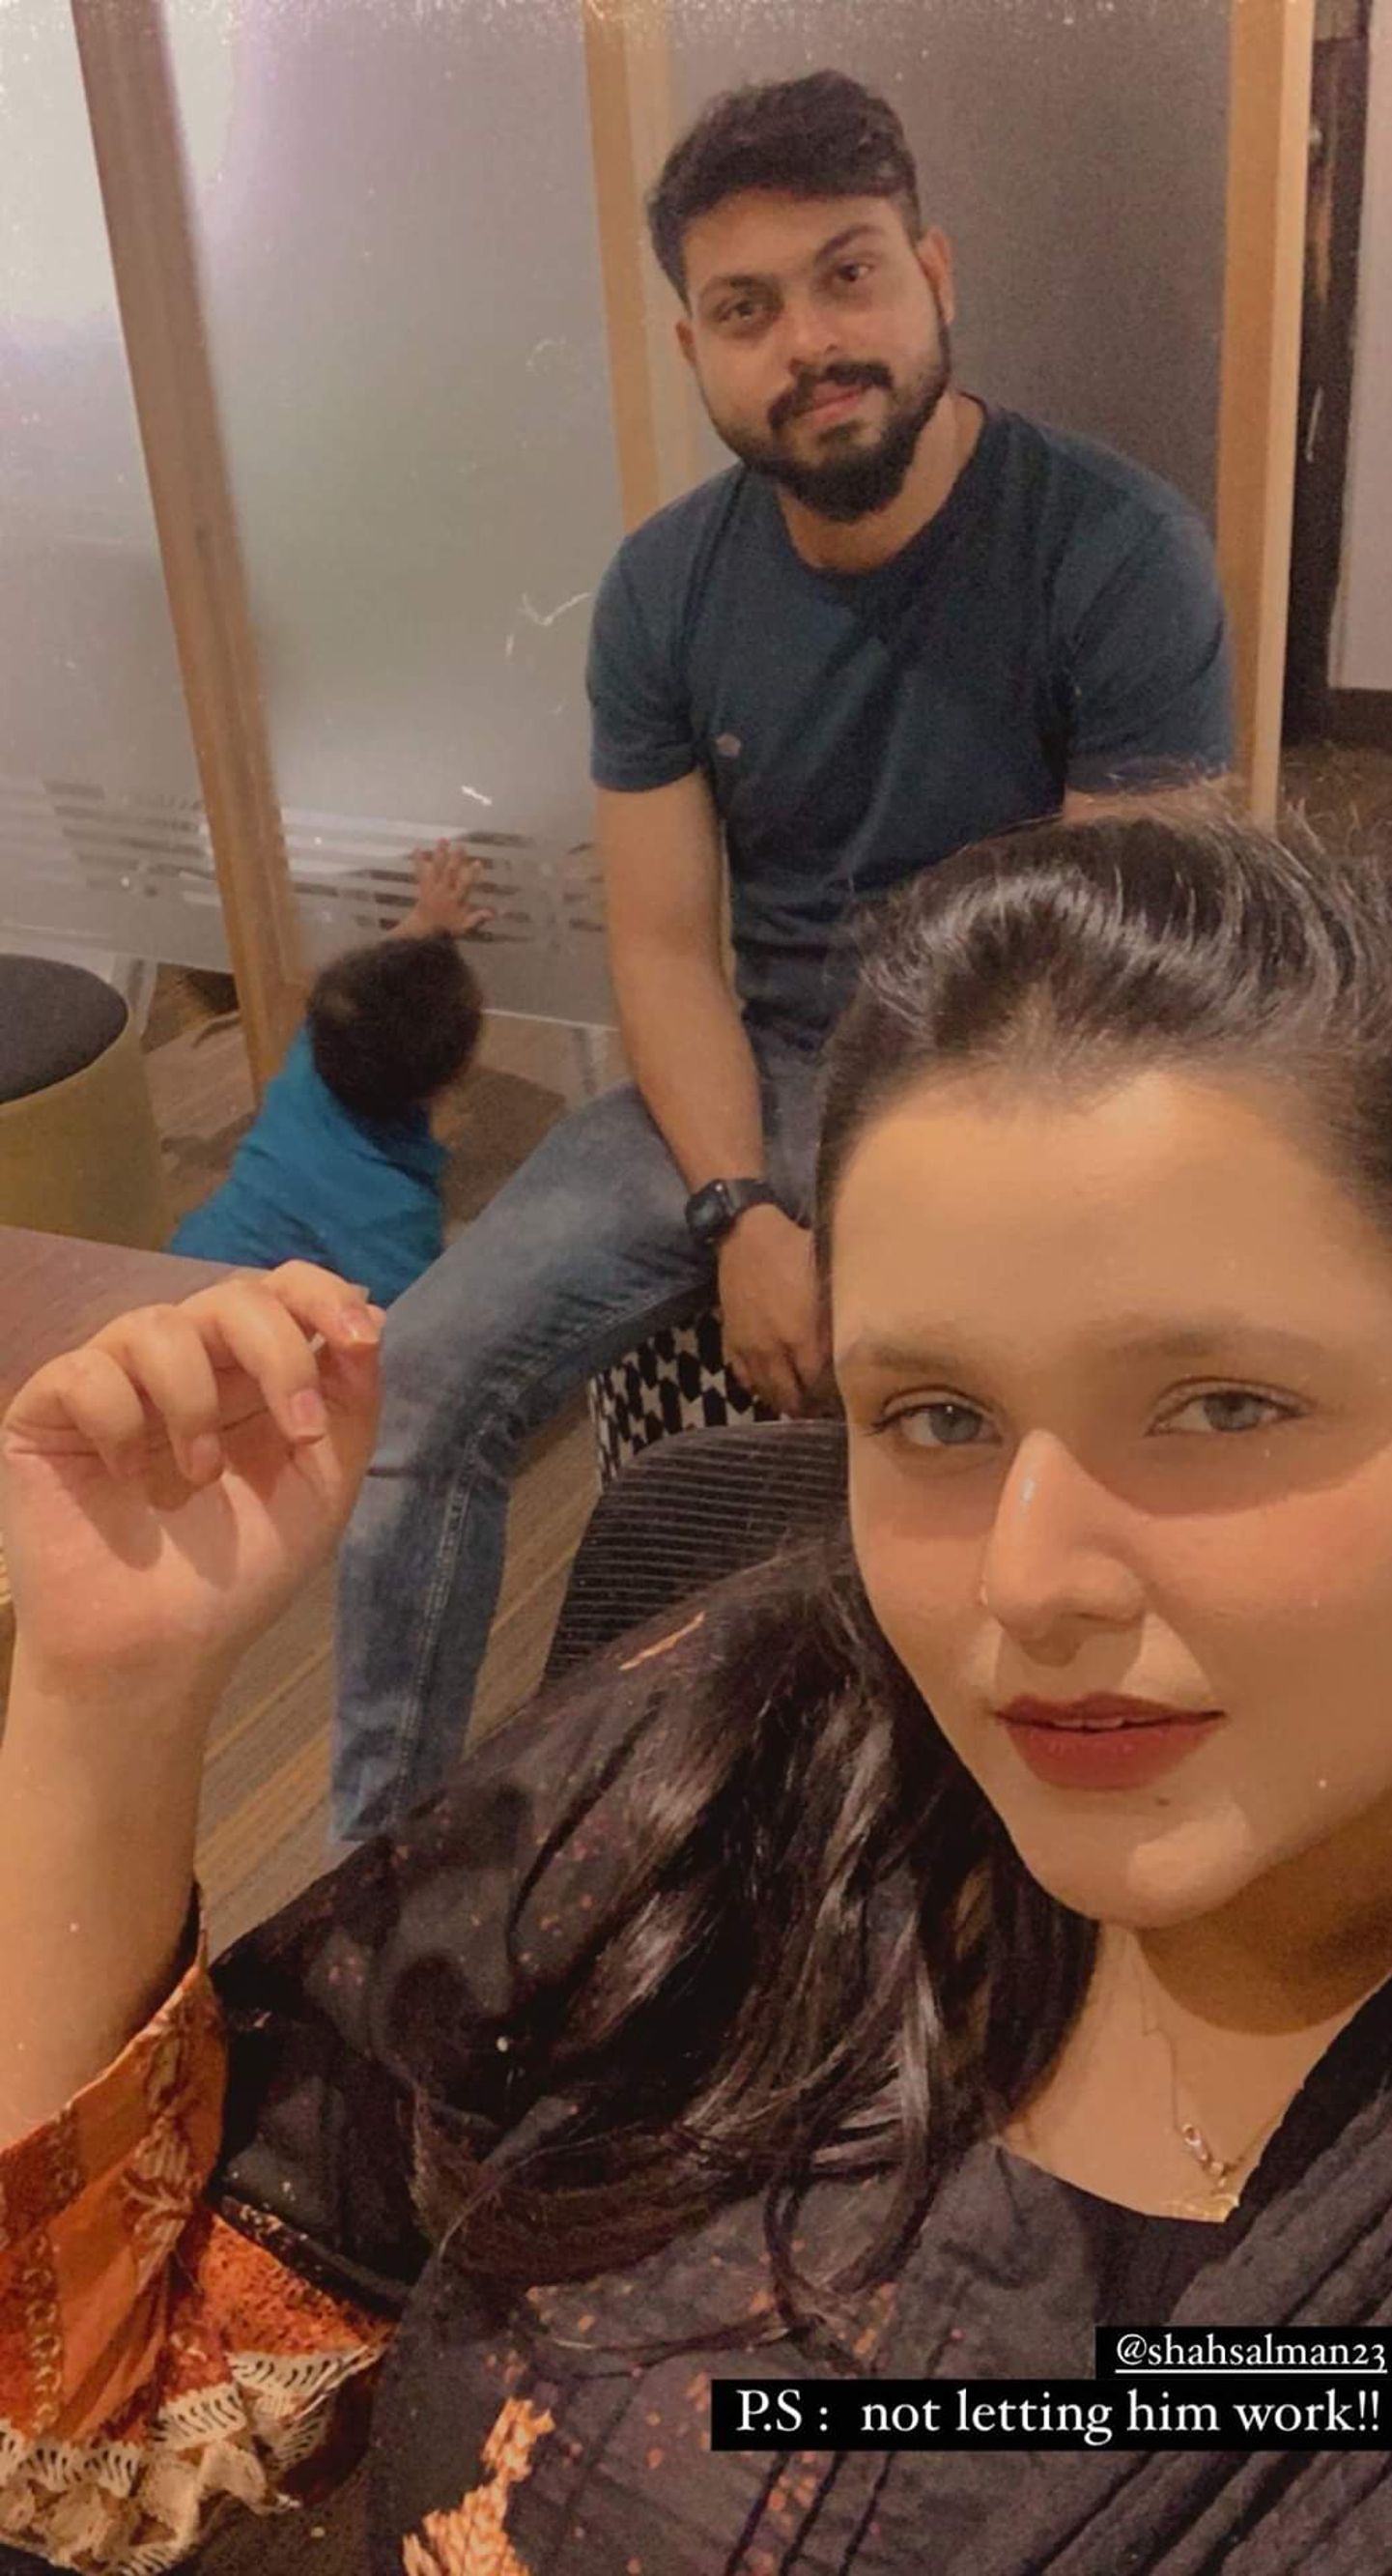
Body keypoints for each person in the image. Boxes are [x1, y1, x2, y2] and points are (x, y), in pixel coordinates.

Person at [1, 809, 1392, 2576]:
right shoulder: (753, 1771)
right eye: (936, 1416)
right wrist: (109, 1686)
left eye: (1222, 1404)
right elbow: (94, 2450)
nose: (1028, 1580)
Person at [329, 70, 1236, 1842]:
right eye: (747, 310)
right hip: (767, 1069)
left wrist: (897, 1214)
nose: (810, 343)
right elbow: (667, 947)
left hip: (1015, 1079)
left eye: (849, 276)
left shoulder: (1114, 549)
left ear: (933, 273)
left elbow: (1118, 978)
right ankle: (378, 1863)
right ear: (696, 348)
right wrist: (740, 1205)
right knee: (415, 1373)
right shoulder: (664, 590)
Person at [170, 844, 488, 1306]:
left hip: (178, 1266)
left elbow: (356, 997)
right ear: (445, 1086)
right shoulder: (389, 1213)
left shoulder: (318, 1057)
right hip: (223, 1324)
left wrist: (426, 919)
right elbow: (416, 1326)